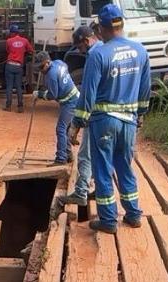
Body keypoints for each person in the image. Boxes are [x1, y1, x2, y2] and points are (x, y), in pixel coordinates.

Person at [72, 4, 151, 233]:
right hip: (129, 122)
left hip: (104, 122)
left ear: (101, 29)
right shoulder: (140, 51)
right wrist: (140, 115)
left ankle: (108, 221)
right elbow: (145, 90)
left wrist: (76, 124)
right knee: (125, 167)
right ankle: (133, 215)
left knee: (103, 170)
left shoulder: (98, 54)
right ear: (122, 24)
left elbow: (87, 94)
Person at [60, 24, 100, 207]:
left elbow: (87, 93)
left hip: (96, 115)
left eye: (80, 47)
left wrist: (76, 123)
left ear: (86, 41)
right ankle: (101, 190)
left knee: (85, 154)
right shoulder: (107, 49)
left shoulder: (94, 55)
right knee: (102, 155)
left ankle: (81, 192)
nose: (81, 51)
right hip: (111, 115)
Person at [33, 51, 79, 165]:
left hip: (70, 102)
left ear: (48, 62)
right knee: (65, 129)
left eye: (41, 67)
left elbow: (53, 95)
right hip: (74, 98)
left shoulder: (51, 76)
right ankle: (68, 154)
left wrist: (39, 94)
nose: (41, 70)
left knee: (61, 129)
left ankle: (61, 158)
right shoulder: (59, 62)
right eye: (39, 68)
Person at [4, 24, 34, 113]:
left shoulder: (9, 41)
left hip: (10, 65)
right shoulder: (25, 41)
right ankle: (20, 107)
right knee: (18, 87)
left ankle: (8, 106)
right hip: (18, 66)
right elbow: (31, 50)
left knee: (9, 86)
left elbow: (7, 50)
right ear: (18, 32)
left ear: (12, 33)